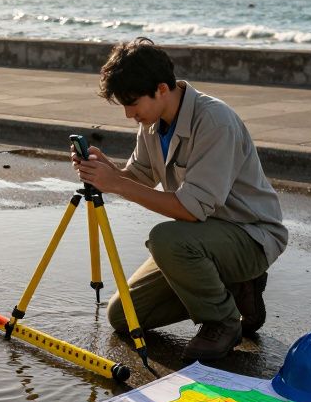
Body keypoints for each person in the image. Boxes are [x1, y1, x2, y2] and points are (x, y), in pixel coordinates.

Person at [73, 38, 287, 360]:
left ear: (161, 88)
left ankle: (224, 322)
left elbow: (190, 209)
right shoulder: (151, 123)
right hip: (202, 239)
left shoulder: (214, 121)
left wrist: (116, 184)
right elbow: (142, 175)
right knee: (122, 317)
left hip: (250, 234)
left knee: (166, 239)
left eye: (132, 103)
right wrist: (106, 171)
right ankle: (234, 286)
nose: (129, 113)